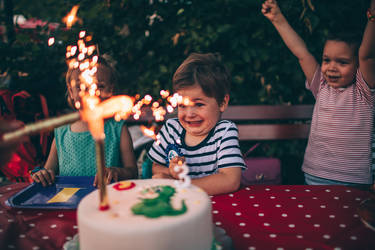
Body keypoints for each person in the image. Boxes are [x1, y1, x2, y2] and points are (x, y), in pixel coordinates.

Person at [262, 0, 375, 186]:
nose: (332, 68)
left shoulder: (364, 91)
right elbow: (302, 53)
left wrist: (372, 18)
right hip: (316, 175)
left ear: (358, 67)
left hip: (355, 180)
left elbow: (366, 54)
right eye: (327, 60)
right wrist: (277, 19)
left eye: (342, 62)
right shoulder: (321, 86)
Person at [147, 53, 246, 195]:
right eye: (182, 105)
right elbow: (156, 167)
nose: (189, 114)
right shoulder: (171, 129)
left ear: (222, 103)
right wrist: (170, 171)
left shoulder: (224, 132)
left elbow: (230, 180)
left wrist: (181, 185)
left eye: (198, 104)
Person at [32, 57, 138, 187]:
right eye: (81, 86)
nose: (91, 92)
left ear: (111, 90)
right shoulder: (61, 133)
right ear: (71, 91)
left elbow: (133, 172)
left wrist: (118, 172)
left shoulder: (119, 129)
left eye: (100, 86)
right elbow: (48, 172)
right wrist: (42, 175)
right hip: (67, 203)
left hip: (108, 201)